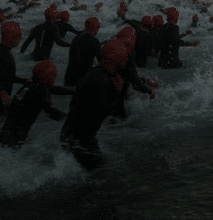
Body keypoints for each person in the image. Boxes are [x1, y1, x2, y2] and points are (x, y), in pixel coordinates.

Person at [61, 40, 153, 169]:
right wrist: (119, 93)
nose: (127, 59)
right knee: (97, 174)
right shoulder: (99, 79)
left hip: (79, 134)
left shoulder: (104, 73)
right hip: (77, 137)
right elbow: (100, 111)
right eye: (124, 55)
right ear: (114, 57)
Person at [0, 60, 73, 149]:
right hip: (15, 136)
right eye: (53, 75)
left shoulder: (29, 85)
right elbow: (51, 112)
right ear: (45, 76)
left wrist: (73, 92)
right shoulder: (40, 91)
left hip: (5, 132)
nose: (55, 77)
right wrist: (70, 119)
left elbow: (53, 89)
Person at [0, 21, 28, 117]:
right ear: (10, 35)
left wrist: (24, 81)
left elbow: (8, 76)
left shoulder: (5, 52)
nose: (20, 38)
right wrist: (2, 92)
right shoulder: (4, 54)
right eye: (18, 35)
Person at [64, 17, 102, 87]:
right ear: (97, 28)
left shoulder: (76, 39)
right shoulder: (95, 41)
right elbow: (101, 61)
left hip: (69, 76)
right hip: (83, 78)